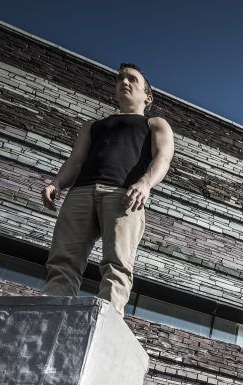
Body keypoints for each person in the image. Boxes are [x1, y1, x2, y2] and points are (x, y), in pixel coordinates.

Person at [41, 63, 175, 313]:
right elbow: (76, 161)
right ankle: (51, 313)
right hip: (80, 193)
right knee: (63, 261)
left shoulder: (155, 124)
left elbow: (163, 158)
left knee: (117, 263)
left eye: (132, 79)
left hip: (124, 195)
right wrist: (57, 183)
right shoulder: (93, 125)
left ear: (148, 96)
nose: (124, 82)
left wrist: (145, 183)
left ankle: (107, 319)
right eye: (120, 78)